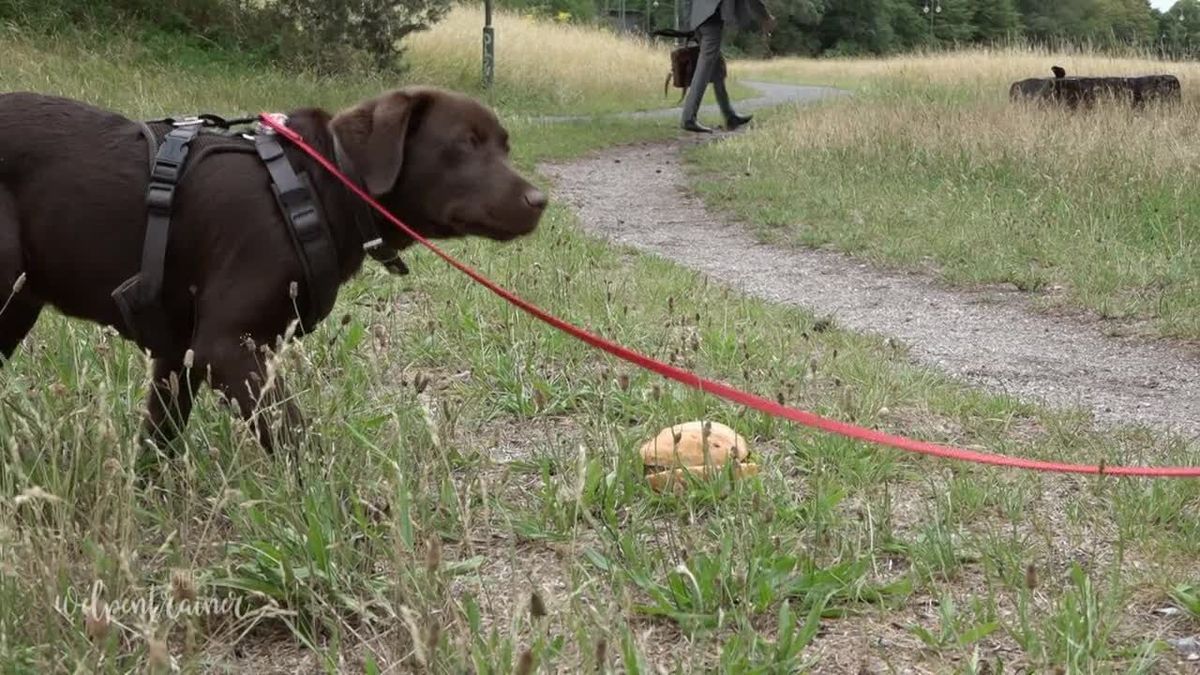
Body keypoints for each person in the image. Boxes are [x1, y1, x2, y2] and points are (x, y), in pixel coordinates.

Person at [680, 0, 775, 133]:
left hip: (699, 19)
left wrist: (688, 22)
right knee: (705, 67)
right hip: (711, 19)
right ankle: (688, 118)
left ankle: (730, 115)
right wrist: (765, 18)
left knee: (717, 67)